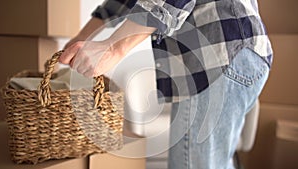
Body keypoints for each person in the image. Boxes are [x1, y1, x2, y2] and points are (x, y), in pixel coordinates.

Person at [59, 0, 273, 168]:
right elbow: (123, 2)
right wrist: (81, 38)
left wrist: (113, 48)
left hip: (220, 53)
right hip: (231, 56)